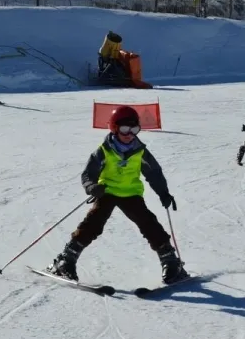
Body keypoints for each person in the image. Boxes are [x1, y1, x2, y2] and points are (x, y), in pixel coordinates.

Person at [47, 106, 188, 285]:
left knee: (148, 223)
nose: (130, 134)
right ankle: (66, 259)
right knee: (93, 222)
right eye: (124, 129)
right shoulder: (104, 150)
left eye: (134, 129)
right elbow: (88, 174)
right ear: (114, 128)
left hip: (131, 193)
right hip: (107, 191)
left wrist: (163, 193)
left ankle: (170, 262)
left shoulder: (140, 150)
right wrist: (92, 187)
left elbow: (154, 173)